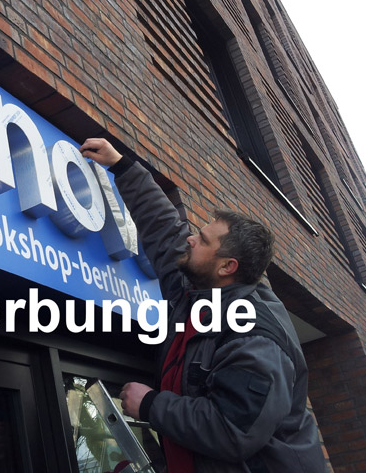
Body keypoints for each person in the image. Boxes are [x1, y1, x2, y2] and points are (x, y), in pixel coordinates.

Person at [80, 138, 326, 473]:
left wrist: (151, 404)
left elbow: (232, 429)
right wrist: (122, 166)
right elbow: (165, 230)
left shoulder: (256, 335)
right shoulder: (196, 290)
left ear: (227, 267)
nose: (191, 238)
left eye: (203, 240)